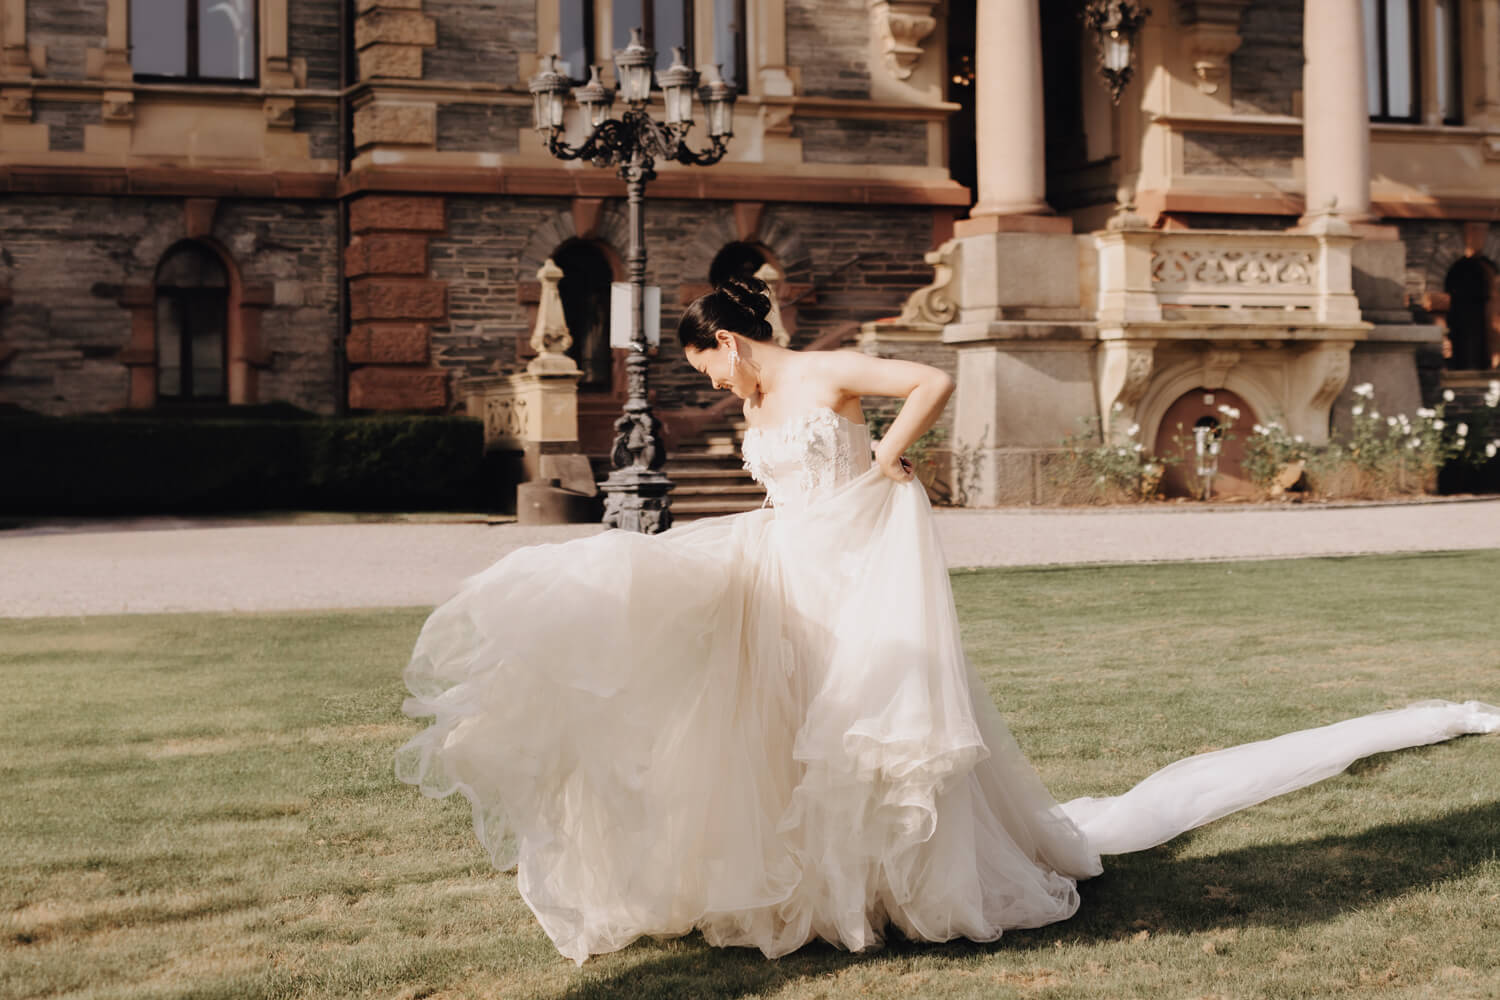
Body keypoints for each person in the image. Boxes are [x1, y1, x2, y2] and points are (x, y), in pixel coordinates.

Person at [396, 275, 1498, 966]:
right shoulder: (763, 403)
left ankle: (896, 881)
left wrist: (882, 459)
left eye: (709, 372)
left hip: (849, 550)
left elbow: (925, 377)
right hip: (790, 558)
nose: (720, 392)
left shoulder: (821, 369)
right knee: (782, 717)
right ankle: (818, 885)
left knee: (866, 717)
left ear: (723, 342)